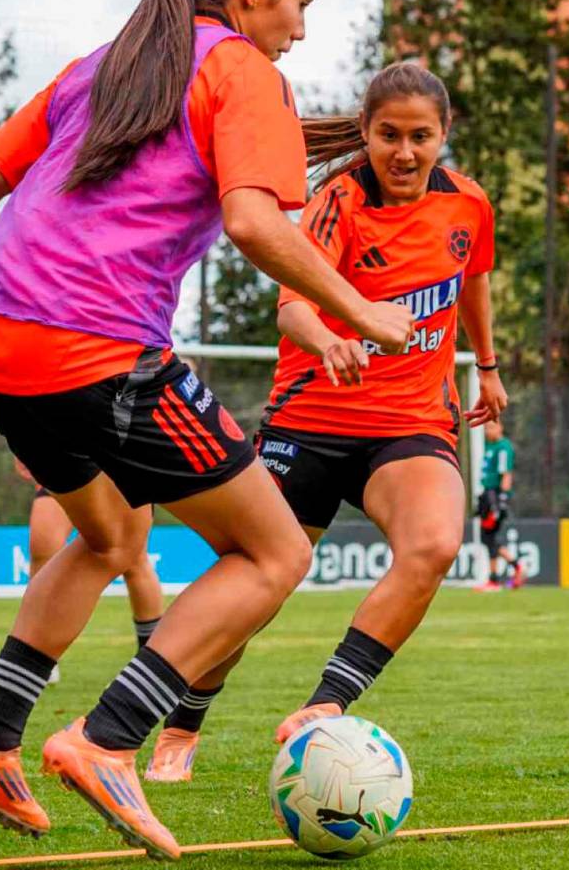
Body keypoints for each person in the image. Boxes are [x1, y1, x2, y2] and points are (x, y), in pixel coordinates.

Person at [0, 0, 413, 859]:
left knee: (111, 535)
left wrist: (3, 303)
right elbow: (252, 222)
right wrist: (360, 313)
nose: (301, 29)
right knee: (274, 551)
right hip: (98, 352)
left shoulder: (99, 67)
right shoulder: (243, 72)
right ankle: (108, 738)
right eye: (301, 4)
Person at [144, 62, 508, 782]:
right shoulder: (336, 201)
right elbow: (291, 307)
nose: (404, 152)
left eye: (421, 136)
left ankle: (327, 704)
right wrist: (331, 338)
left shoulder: (469, 204)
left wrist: (488, 365)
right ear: (367, 133)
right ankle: (180, 728)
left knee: (434, 544)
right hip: (310, 420)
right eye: (388, 135)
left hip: (409, 422)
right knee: (255, 582)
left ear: (445, 135)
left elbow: (473, 279)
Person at [14, 458, 163, 682]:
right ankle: (36, 655)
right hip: (69, 457)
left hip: (118, 458)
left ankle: (152, 658)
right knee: (43, 545)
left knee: (134, 559)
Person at [474, 420, 524, 590]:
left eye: (491, 427)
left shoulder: (503, 447)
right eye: (486, 428)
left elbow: (506, 474)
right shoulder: (489, 446)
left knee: (490, 537)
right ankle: (515, 567)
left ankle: (495, 579)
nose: (487, 431)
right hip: (487, 495)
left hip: (494, 496)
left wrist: (501, 500)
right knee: (488, 538)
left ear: (500, 427)